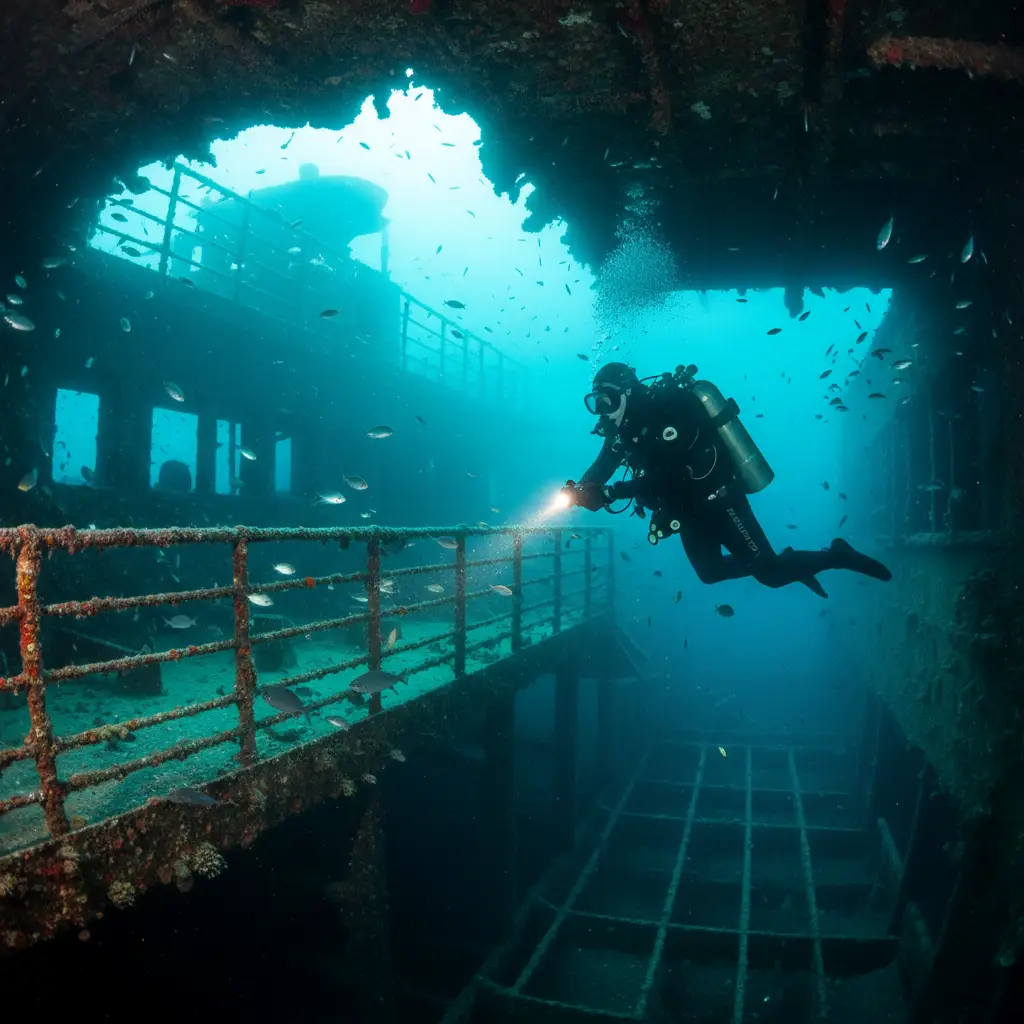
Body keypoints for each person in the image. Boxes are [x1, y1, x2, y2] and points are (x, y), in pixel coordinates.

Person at [563, 362, 891, 598]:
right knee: (709, 573)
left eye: (606, 400)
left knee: (770, 575)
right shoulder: (622, 431)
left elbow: (669, 477)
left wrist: (609, 493)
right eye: (594, 404)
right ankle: (792, 563)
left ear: (627, 393)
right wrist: (581, 488)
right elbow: (603, 464)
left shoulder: (669, 410)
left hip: (719, 501)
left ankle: (836, 555)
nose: (601, 411)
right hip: (686, 515)